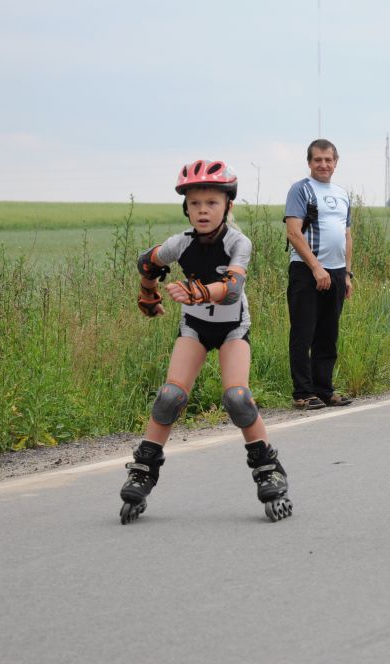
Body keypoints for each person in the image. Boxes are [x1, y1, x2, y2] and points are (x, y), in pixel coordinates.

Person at [118, 159, 292, 524]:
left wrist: (196, 292)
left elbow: (232, 291)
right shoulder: (179, 244)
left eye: (211, 202)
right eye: (195, 203)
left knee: (237, 399)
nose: (202, 210)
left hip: (232, 329)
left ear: (228, 205)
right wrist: (147, 294)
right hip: (194, 328)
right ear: (186, 207)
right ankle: (142, 472)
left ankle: (269, 469)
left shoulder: (238, 243)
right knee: (170, 397)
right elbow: (146, 262)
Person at [283, 139, 354, 410]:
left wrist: (347, 274)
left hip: (336, 273)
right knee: (303, 332)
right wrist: (315, 267)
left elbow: (347, 235)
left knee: (327, 333)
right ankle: (303, 392)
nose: (323, 165)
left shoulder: (342, 193)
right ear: (309, 162)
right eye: (317, 160)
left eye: (328, 160)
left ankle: (324, 390)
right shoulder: (301, 190)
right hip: (307, 271)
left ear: (336, 162)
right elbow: (293, 233)